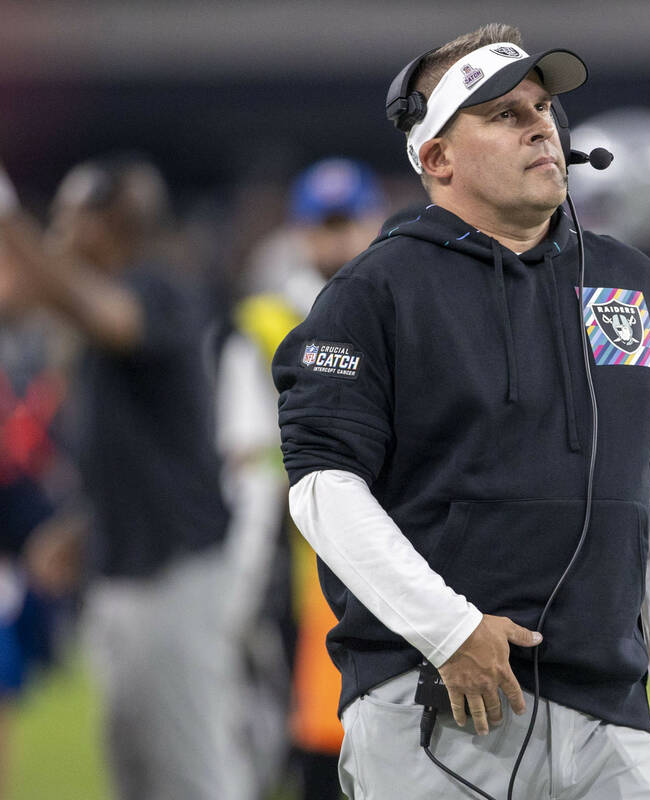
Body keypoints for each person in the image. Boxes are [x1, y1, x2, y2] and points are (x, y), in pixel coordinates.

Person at [271, 22, 650, 800]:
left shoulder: (630, 284)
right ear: (436, 157)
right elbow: (322, 488)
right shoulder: (373, 293)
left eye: (541, 108)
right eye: (504, 114)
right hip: (437, 704)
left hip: (609, 709)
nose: (540, 124)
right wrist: (452, 632)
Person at [0, 155, 252, 800]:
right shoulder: (100, 308)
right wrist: (83, 526)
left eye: (67, 217)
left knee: (191, 776)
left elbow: (102, 314)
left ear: (109, 223)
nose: (56, 231)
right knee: (136, 775)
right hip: (123, 572)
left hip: (173, 573)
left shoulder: (159, 285)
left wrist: (8, 218)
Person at [215, 156, 386, 800]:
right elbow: (250, 464)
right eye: (323, 224)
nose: (336, 239)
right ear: (298, 231)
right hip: (297, 573)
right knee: (305, 755)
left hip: (391, 557)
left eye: (347, 223)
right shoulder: (262, 324)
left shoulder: (401, 304)